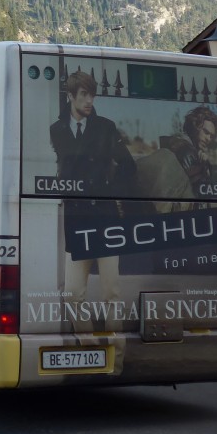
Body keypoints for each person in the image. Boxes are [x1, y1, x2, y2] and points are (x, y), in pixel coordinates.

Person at [49, 71, 137, 306]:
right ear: (70, 96)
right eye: (84, 94)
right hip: (77, 220)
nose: (89, 101)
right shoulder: (56, 130)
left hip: (105, 219)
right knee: (73, 295)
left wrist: (109, 190)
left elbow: (128, 165)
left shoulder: (105, 127)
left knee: (111, 294)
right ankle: (86, 342)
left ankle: (116, 345)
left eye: (93, 95)